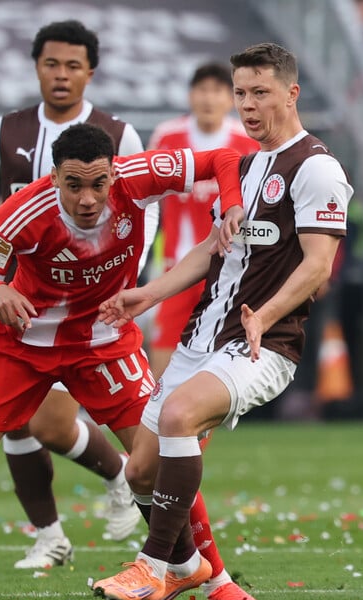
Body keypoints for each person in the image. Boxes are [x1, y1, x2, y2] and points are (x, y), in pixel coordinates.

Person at [0, 125, 252, 600]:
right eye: (73, 185)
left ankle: (215, 580)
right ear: (54, 178)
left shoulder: (136, 175)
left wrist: (231, 203)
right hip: (21, 344)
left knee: (163, 456)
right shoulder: (25, 211)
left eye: (98, 184)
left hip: (103, 341)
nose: (88, 198)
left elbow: (222, 160)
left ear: (113, 173)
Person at [92, 42, 353, 600]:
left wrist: (267, 315)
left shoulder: (317, 168)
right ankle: (191, 568)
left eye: (260, 92)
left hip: (264, 344)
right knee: (140, 470)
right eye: (241, 94)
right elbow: (214, 251)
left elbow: (317, 266)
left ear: (291, 92)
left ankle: (153, 565)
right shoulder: (243, 165)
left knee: (182, 417)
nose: (248, 105)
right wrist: (149, 293)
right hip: (200, 336)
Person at [0, 20, 154, 568]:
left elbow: (147, 205)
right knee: (14, 420)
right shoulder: (6, 131)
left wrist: (127, 273)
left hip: (85, 308)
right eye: (50, 64)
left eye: (72, 65)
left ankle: (120, 479)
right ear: (36, 68)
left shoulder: (118, 134)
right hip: (12, 299)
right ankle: (50, 536)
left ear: (91, 71)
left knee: (47, 425)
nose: (61, 75)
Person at [147, 62, 259, 379]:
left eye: (218, 91)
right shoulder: (167, 137)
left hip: (227, 275)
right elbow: (146, 200)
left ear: (231, 99)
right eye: (202, 90)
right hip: (176, 270)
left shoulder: (246, 142)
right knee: (161, 373)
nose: (209, 99)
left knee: (211, 376)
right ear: (191, 96)